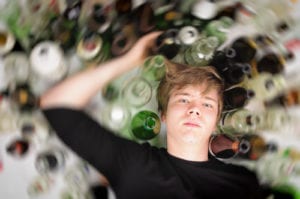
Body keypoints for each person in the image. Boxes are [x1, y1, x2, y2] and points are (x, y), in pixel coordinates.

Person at [40, 32, 265, 199]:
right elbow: (56, 104)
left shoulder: (243, 180)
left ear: (216, 121)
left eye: (206, 104)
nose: (194, 109)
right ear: (163, 115)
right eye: (183, 99)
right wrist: (130, 60)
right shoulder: (136, 166)